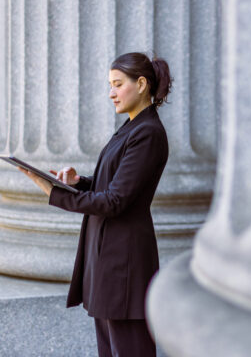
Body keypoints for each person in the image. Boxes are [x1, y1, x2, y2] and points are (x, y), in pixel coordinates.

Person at [20, 52, 172, 357]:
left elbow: (116, 201)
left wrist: (55, 193)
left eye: (118, 84)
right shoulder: (131, 127)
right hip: (108, 259)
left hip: (124, 262)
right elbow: (116, 185)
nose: (111, 93)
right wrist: (79, 182)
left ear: (141, 84)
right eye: (110, 85)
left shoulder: (148, 133)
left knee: (130, 349)